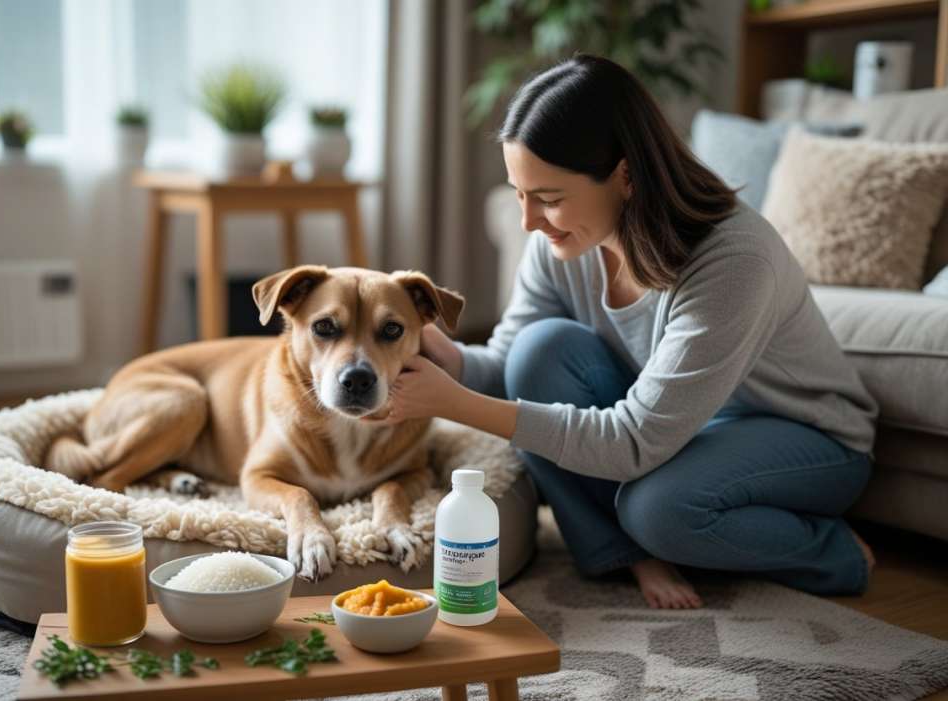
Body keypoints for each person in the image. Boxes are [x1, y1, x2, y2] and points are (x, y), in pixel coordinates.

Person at [368, 54, 878, 609]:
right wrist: (447, 361)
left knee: (658, 508)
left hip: (804, 436)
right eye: (520, 192)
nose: (529, 222)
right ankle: (628, 552)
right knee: (540, 352)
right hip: (677, 430)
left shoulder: (734, 261)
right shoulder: (559, 246)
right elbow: (512, 365)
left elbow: (634, 442)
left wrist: (455, 404)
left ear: (626, 174)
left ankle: (832, 552)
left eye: (550, 198)